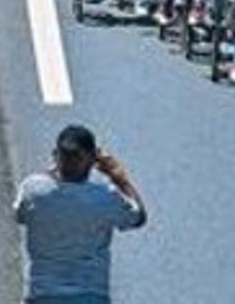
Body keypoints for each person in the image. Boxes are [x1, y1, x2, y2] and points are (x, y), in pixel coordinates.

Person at [14, 125, 147, 304]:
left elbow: (20, 216)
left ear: (55, 156)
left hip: (41, 296)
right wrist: (119, 178)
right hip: (91, 296)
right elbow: (138, 217)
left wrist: (52, 170)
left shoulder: (33, 190)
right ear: (92, 160)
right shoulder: (104, 197)